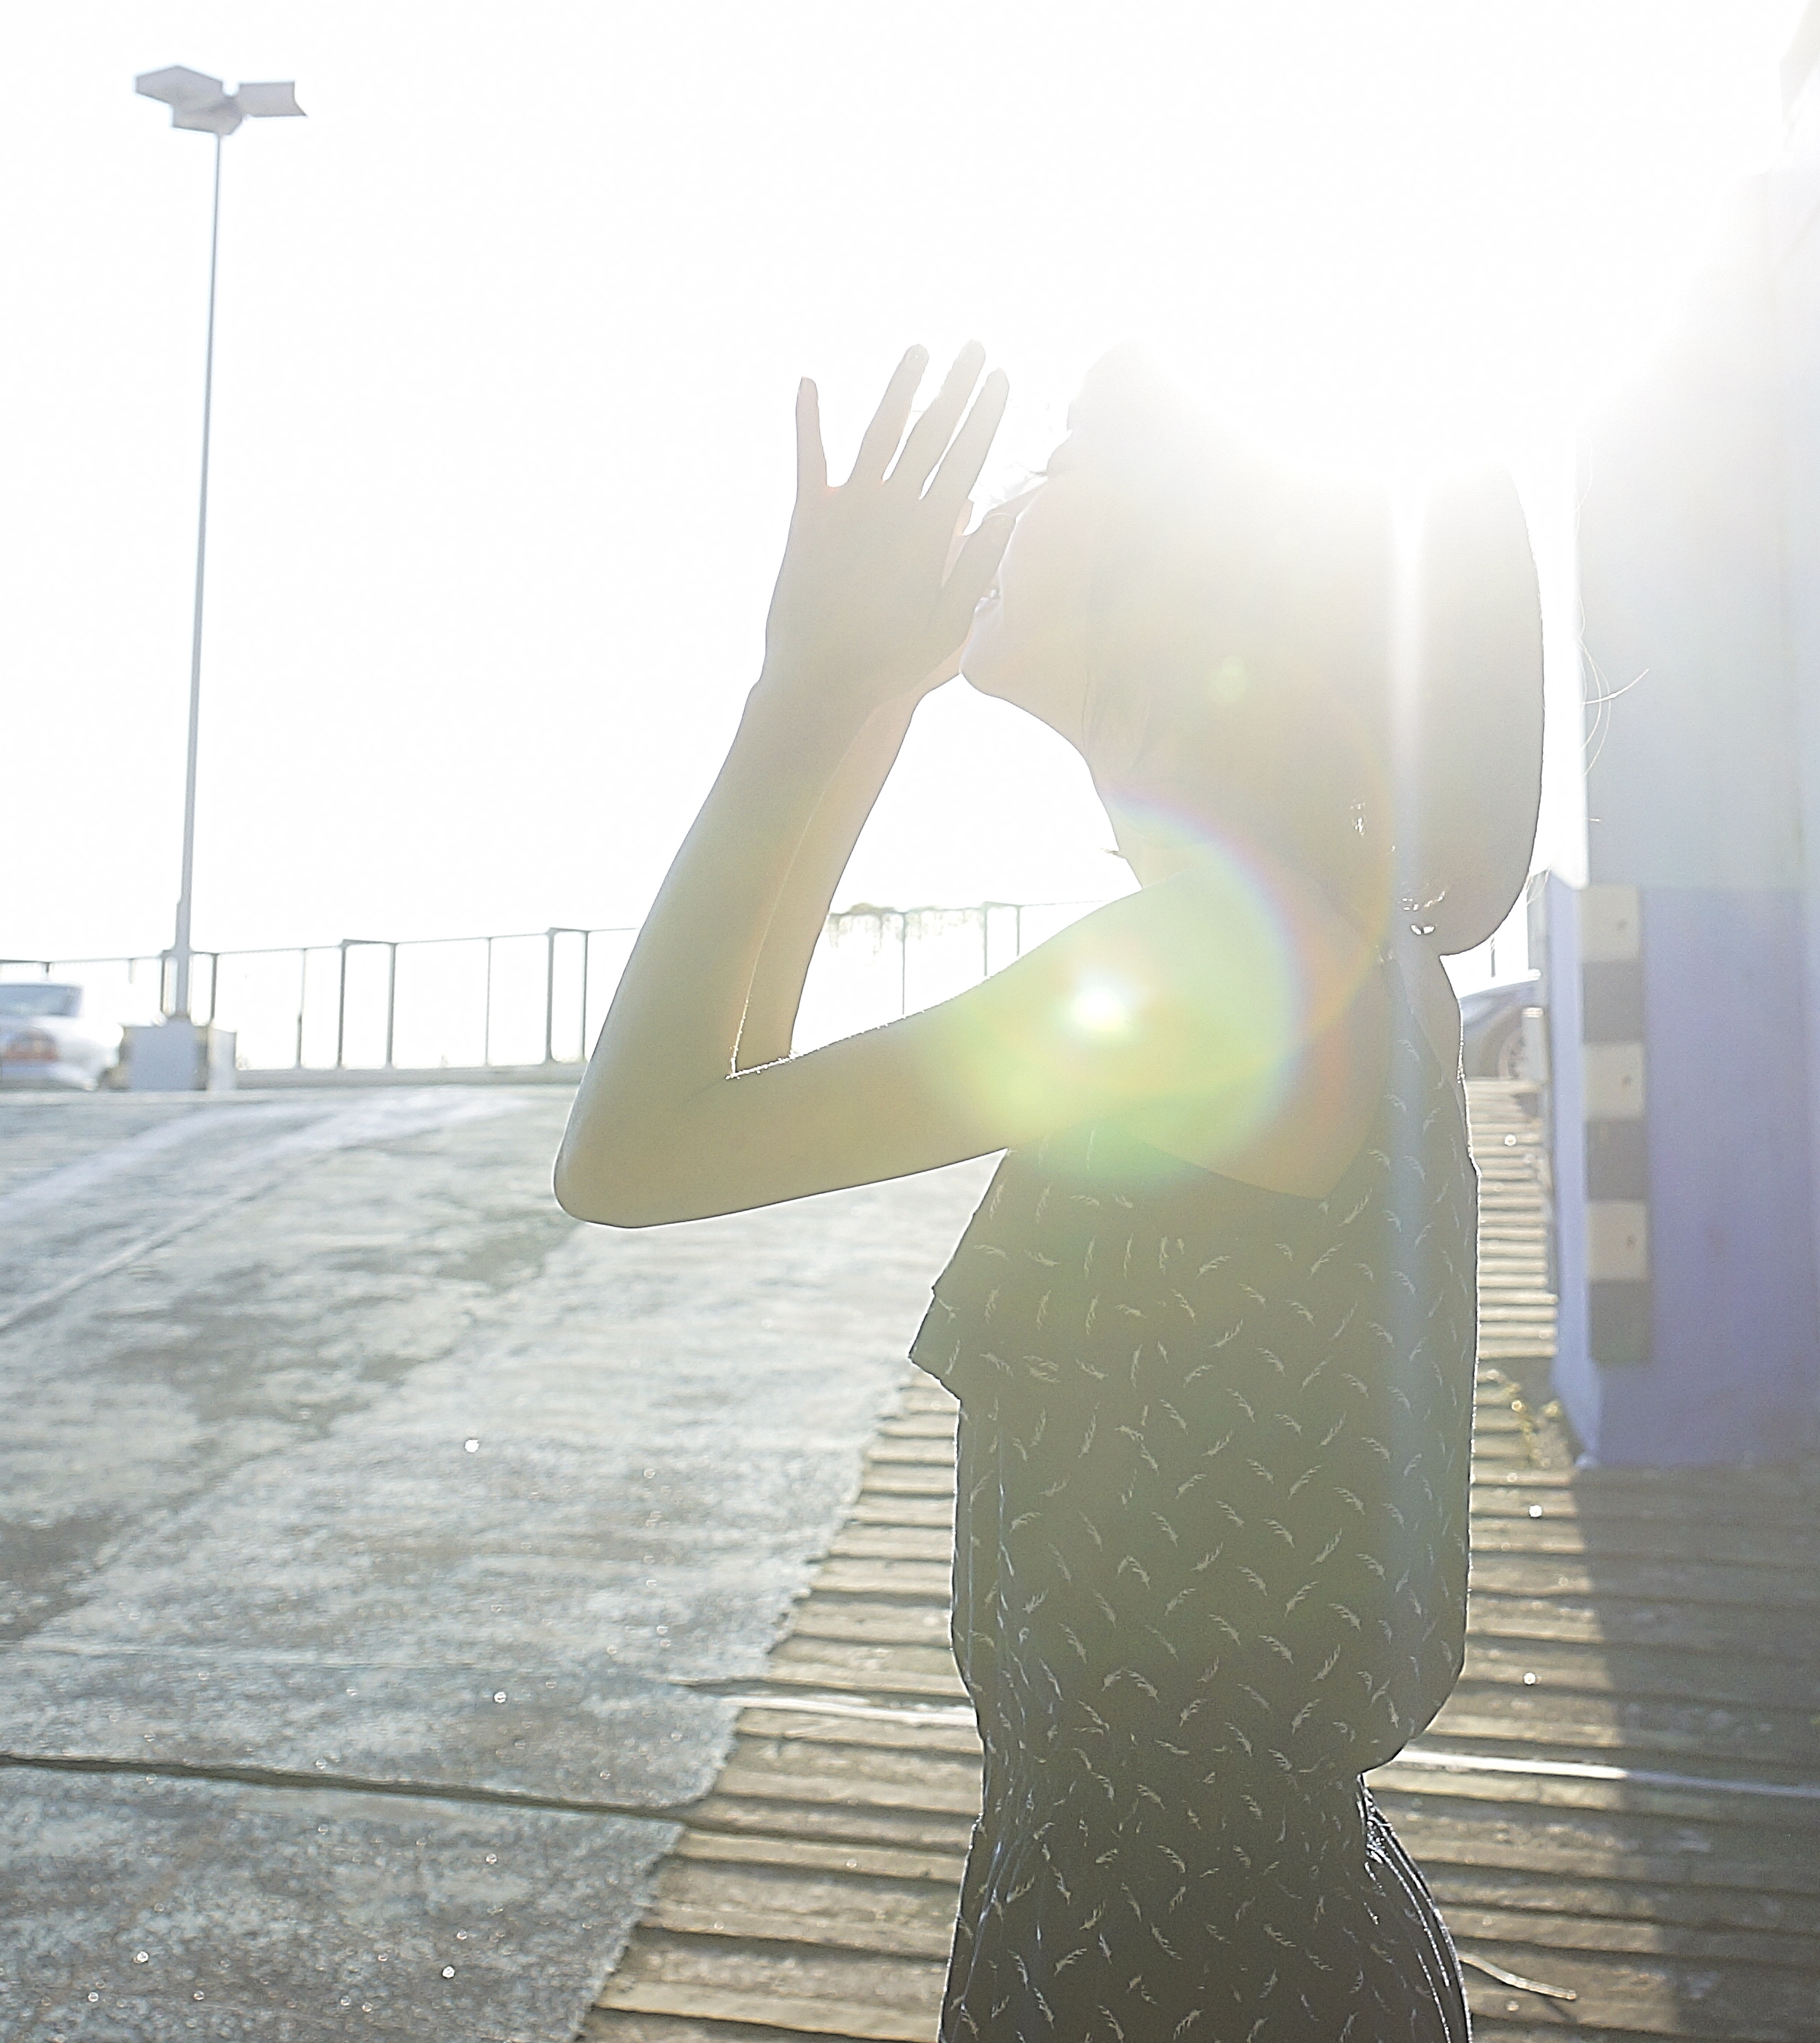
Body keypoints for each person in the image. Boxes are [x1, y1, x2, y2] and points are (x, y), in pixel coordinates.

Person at [557, 341, 1543, 2043]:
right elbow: (743, 1055)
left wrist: (803, 687)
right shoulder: (1292, 943)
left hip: (1181, 1962)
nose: (1011, 493)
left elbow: (632, 1153)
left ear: (1198, 568)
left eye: (1069, 457)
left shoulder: (1215, 965)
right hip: (1184, 1920)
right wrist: (869, 684)